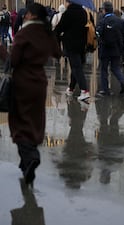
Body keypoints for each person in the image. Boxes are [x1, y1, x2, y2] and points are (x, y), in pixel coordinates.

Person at [0, 3, 61, 185]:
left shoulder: (24, 33)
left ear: (33, 15)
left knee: (19, 120)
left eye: (26, 13)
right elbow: (58, 53)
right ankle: (26, 161)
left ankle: (30, 156)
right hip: (40, 82)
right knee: (35, 119)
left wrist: (2, 52)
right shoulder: (47, 33)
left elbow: (14, 61)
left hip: (22, 82)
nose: (24, 16)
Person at [55, 0, 90, 101]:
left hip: (71, 44)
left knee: (76, 67)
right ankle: (71, 88)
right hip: (82, 44)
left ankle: (85, 91)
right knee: (76, 66)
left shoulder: (68, 13)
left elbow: (60, 27)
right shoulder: (83, 12)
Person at [96, 1, 124, 97]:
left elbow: (98, 33)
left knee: (104, 69)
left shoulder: (102, 21)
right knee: (115, 67)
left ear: (105, 10)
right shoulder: (120, 21)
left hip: (105, 48)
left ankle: (105, 90)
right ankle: (122, 81)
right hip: (117, 49)